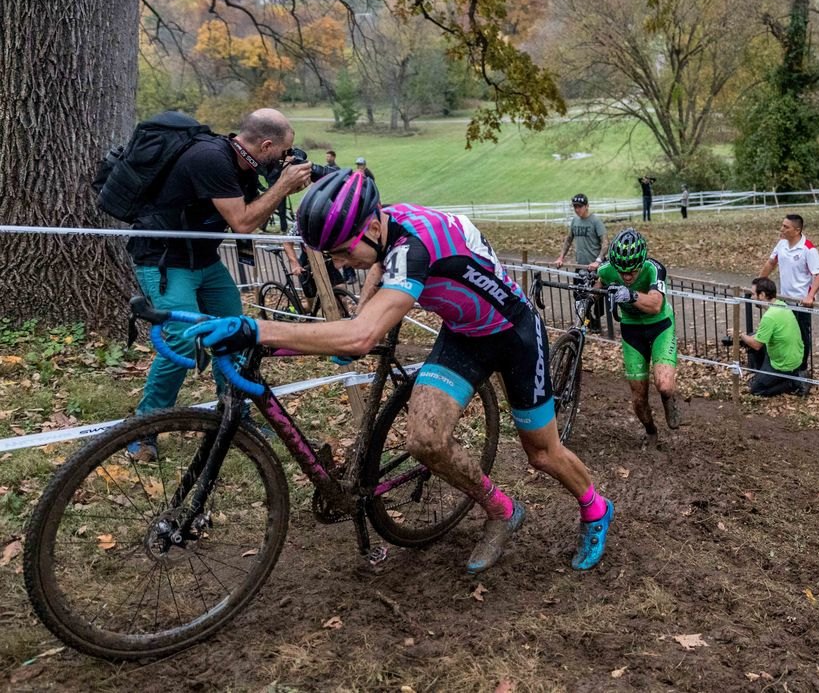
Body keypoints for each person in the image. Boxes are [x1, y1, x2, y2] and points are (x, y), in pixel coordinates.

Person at [185, 171, 614, 572]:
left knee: (542, 454)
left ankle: (596, 508)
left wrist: (255, 327)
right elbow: (376, 263)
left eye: (339, 251)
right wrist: (364, 309)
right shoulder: (387, 224)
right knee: (425, 440)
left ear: (369, 229)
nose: (338, 263)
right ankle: (502, 510)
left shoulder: (415, 249)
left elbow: (360, 336)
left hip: (515, 334)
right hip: (463, 334)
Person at [126, 109, 313, 461]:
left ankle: (233, 412)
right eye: (282, 152)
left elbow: (252, 213)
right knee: (183, 343)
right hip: (165, 260)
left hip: (204, 260)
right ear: (266, 144)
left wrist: (279, 185)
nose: (284, 160)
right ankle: (144, 427)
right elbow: (243, 223)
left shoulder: (244, 165)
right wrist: (282, 185)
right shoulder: (211, 158)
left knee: (236, 333)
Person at [595, 228, 681, 446]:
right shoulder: (607, 270)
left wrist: (631, 294)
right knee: (638, 398)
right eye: (621, 272)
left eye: (632, 272)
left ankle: (668, 399)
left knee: (664, 385)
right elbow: (598, 286)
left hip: (660, 325)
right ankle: (651, 431)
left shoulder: (655, 268)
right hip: (632, 329)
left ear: (641, 262)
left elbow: (655, 304)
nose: (626, 277)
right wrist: (587, 293)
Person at [759, 214, 819, 371]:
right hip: (783, 300)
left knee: (801, 336)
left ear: (797, 230)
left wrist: (809, 296)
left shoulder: (808, 249)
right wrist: (759, 282)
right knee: (783, 333)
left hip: (801, 302)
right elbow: (771, 262)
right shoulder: (782, 244)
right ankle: (784, 366)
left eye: (786, 227)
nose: (781, 229)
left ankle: (801, 370)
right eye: (782, 225)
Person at [738, 277, 805, 397]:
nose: (752, 298)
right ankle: (767, 375)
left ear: (762, 295)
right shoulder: (781, 305)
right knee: (754, 337)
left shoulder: (770, 316)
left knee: (756, 390)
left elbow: (757, 345)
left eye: (753, 294)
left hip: (783, 364)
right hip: (794, 357)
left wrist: (740, 335)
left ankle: (792, 383)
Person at [554, 193, 608, 332]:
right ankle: (587, 321)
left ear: (587, 206)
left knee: (596, 297)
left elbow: (605, 243)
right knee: (578, 295)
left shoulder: (596, 222)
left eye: (580, 207)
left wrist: (598, 261)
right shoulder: (574, 221)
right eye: (575, 207)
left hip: (595, 268)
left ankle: (596, 321)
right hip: (581, 266)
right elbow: (568, 239)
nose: (577, 209)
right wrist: (561, 257)